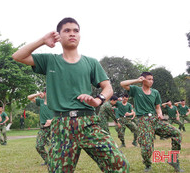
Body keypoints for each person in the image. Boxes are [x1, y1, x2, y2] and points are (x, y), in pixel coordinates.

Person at [12, 17, 129, 173]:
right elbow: (18, 56)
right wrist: (42, 40)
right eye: (67, 30)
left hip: (88, 122)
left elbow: (107, 87)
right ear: (59, 36)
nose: (72, 34)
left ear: (80, 35)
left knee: (119, 164)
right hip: (62, 124)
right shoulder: (50, 60)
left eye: (76, 30)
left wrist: (98, 100)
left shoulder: (91, 62)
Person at [120, 72, 182, 172]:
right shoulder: (136, 90)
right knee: (147, 147)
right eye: (149, 79)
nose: (151, 81)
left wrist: (160, 114)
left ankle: (173, 160)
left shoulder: (155, 92)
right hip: (143, 120)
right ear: (143, 79)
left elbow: (157, 107)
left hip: (154, 119)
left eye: (152, 79)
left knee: (177, 133)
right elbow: (123, 83)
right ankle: (147, 165)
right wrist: (137, 80)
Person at [27, 88, 54, 166]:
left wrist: (51, 121)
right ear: (45, 93)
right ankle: (48, 160)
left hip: (53, 127)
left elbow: (60, 114)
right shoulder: (40, 102)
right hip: (43, 128)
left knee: (55, 146)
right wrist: (38, 94)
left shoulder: (54, 103)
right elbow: (29, 97)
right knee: (39, 146)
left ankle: (56, 161)